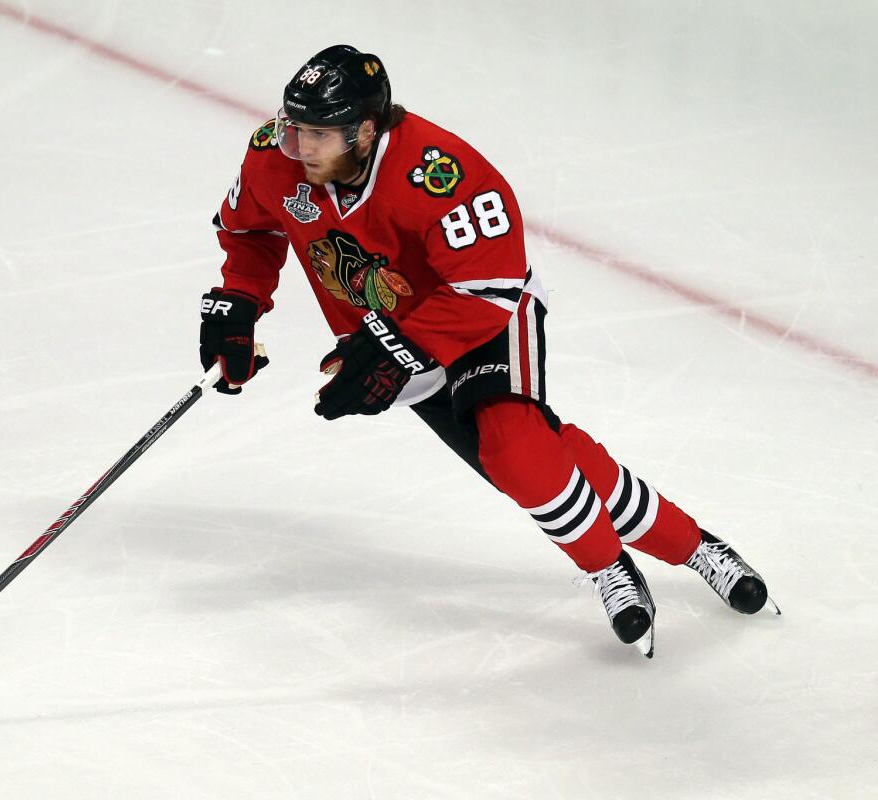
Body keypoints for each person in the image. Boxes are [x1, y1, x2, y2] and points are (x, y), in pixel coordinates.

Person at [197, 44, 778, 657]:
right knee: (541, 464)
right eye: (294, 129)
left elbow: (490, 287)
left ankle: (614, 566)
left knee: (517, 452)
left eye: (318, 134)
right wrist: (238, 302)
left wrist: (394, 345)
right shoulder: (276, 155)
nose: (301, 148)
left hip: (485, 317)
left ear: (365, 129)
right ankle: (696, 546)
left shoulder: (439, 173)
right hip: (394, 335)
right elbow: (249, 228)